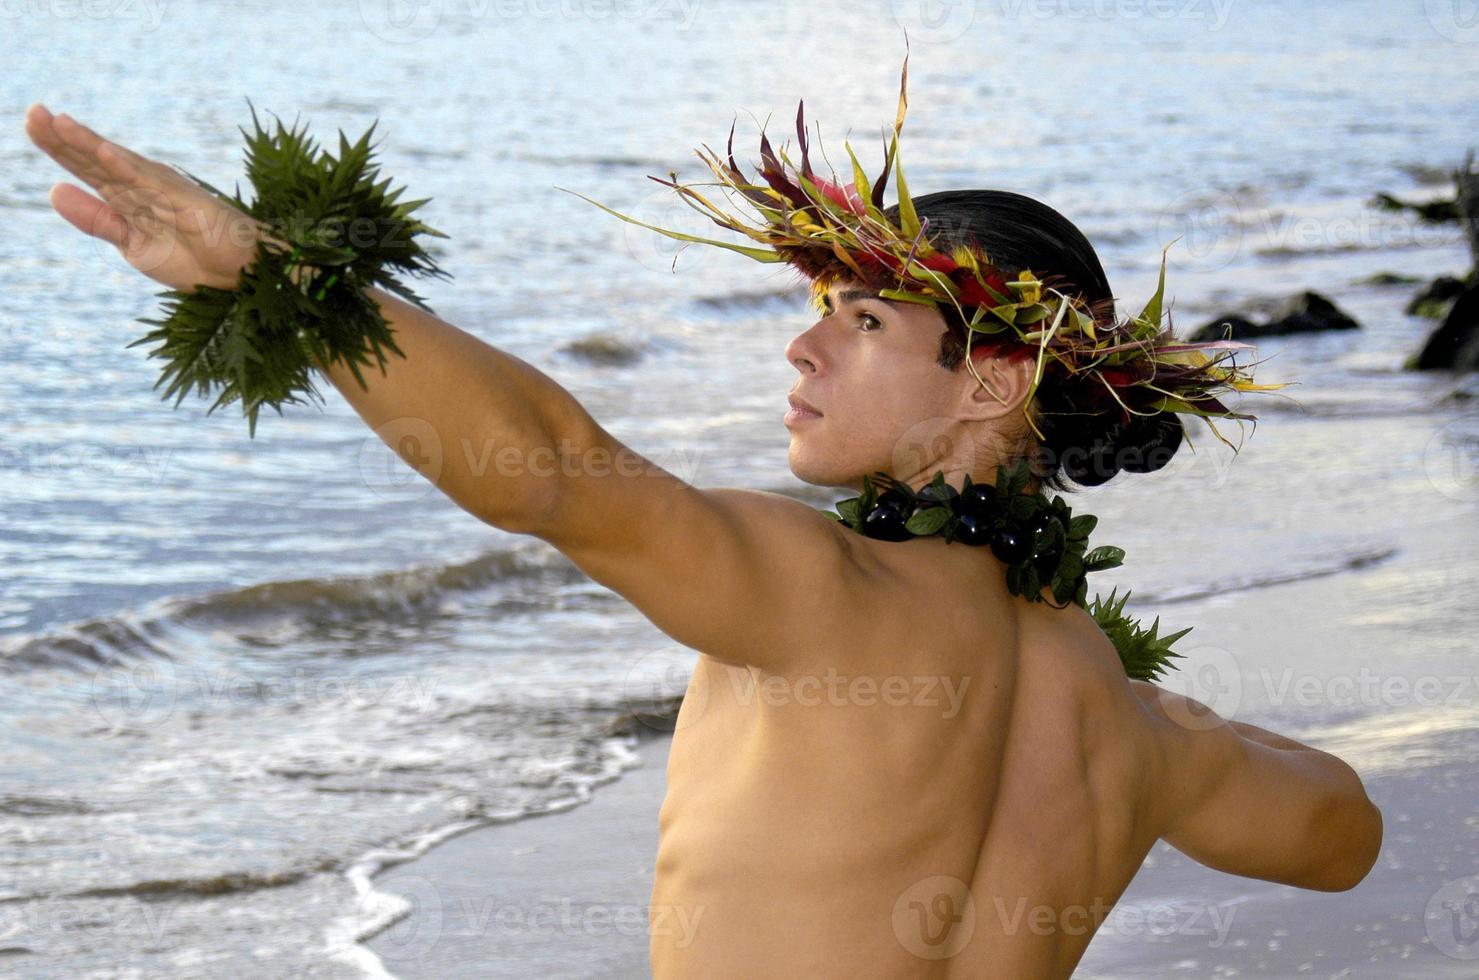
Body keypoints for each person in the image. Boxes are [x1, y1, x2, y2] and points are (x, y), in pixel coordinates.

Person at [23, 94, 1382, 979]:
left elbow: (553, 473)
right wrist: (1150, 739)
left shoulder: (820, 595)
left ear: (990, 383)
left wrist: (280, 280)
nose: (801, 346)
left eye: (860, 324)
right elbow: (1345, 837)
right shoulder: (1128, 722)